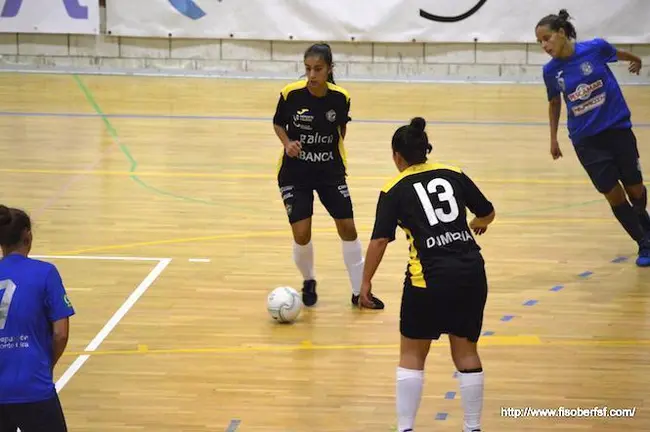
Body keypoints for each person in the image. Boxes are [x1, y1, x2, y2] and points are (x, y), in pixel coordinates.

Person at [358, 118, 495, 432]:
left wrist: (364, 283)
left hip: (428, 280)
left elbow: (380, 240)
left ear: (397, 157)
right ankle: (472, 427)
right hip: (471, 272)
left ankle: (405, 428)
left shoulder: (394, 189)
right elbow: (487, 212)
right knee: (466, 352)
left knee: (412, 355)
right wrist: (477, 224)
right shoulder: (453, 172)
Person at [272, 42, 384, 309]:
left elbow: (340, 130)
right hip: (295, 174)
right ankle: (309, 279)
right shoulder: (290, 94)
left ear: (329, 69)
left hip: (329, 171)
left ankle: (359, 292)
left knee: (347, 228)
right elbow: (277, 123)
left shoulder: (341, 98)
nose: (312, 75)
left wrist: (325, 151)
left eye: (318, 69)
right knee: (302, 234)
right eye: (308, 69)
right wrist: (288, 143)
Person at [536, 9, 650, 266]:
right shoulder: (551, 71)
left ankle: (644, 224)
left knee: (635, 189)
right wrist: (553, 139)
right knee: (614, 194)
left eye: (547, 38)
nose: (544, 45)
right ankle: (643, 243)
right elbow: (554, 103)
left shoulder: (595, 48)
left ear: (562, 33)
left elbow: (617, 54)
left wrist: (636, 59)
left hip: (618, 129)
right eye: (539, 42)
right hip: (586, 140)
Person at [0, 205, 75, 432]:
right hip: (33, 386)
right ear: (27, 235)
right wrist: (45, 364)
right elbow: (60, 334)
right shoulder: (45, 272)